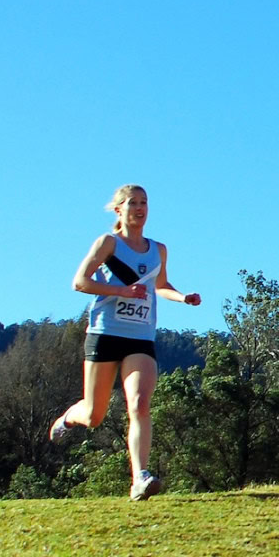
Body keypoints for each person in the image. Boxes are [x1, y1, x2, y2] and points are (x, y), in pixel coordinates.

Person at [48, 184, 201, 500]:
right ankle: (67, 417)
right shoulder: (109, 243)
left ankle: (139, 478)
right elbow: (79, 282)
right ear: (119, 210)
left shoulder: (158, 250)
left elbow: (160, 285)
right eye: (133, 203)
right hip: (105, 332)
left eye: (144, 202)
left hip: (140, 337)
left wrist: (182, 297)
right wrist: (121, 291)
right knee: (94, 415)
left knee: (140, 403)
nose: (140, 208)